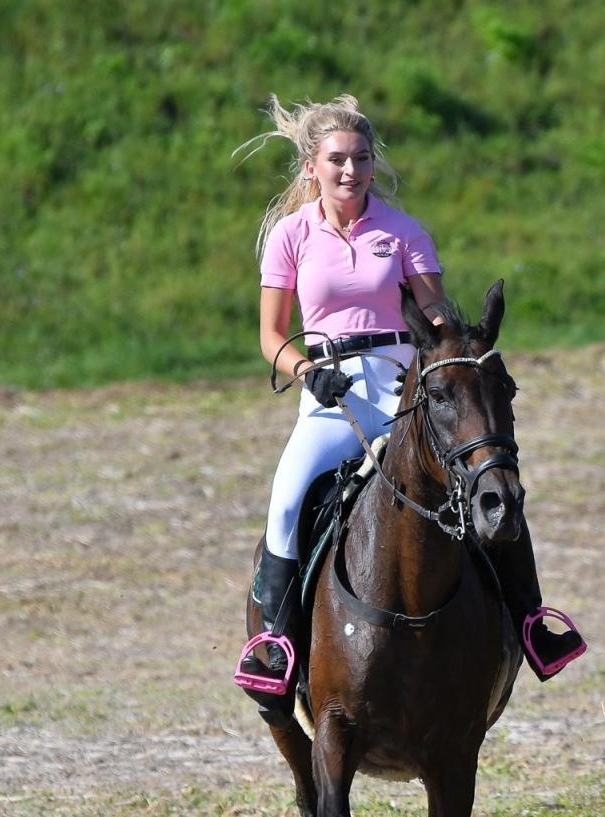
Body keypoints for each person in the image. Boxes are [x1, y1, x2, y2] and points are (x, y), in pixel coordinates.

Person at [233, 95, 585, 692]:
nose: (351, 171)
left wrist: (464, 353)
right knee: (287, 502)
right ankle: (277, 646)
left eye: (362, 159)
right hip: (330, 395)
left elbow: (435, 313)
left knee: (482, 483)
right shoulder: (291, 236)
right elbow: (270, 335)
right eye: (338, 160)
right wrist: (306, 370)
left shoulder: (403, 233)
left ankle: (531, 623)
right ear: (310, 167)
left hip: (404, 390)